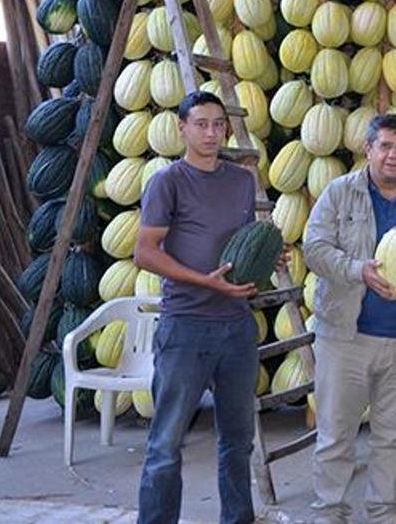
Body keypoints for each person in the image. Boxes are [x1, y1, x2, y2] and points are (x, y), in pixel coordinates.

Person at [302, 113, 396, 524]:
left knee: (394, 437)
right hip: (345, 336)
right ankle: (329, 511)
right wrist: (357, 270)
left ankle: (385, 511)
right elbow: (314, 248)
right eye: (384, 145)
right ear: (368, 149)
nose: (392, 154)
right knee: (336, 435)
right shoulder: (338, 194)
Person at [134, 91, 261, 524]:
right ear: (182, 128)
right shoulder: (166, 182)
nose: (211, 132)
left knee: (238, 441)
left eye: (218, 124)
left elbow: (243, 246)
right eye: (201, 123)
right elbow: (145, 253)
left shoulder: (242, 181)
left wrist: (267, 257)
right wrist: (204, 282)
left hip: (238, 329)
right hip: (185, 327)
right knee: (166, 444)